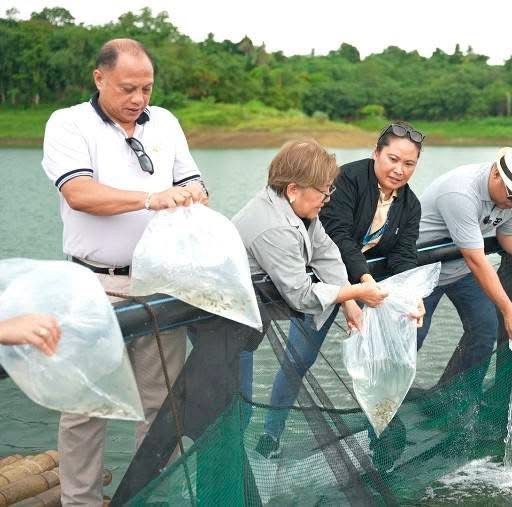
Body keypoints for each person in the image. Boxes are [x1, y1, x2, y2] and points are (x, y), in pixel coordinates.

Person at [41, 38, 207, 506]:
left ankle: (152, 496)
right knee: (84, 405)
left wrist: (195, 194)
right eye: (127, 88)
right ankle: (80, 502)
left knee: (162, 405)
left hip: (160, 282)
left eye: (146, 88)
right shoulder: (68, 123)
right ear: (100, 79)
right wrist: (151, 198)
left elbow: (191, 179)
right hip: (94, 282)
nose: (138, 98)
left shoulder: (166, 121)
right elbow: (79, 193)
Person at [251, 123, 425, 456]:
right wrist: (356, 290)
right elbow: (337, 237)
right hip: (326, 281)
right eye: (392, 159)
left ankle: (379, 439)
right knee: (299, 358)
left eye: (409, 164)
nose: (399, 170)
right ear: (376, 153)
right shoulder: (346, 180)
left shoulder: (410, 204)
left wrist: (411, 294)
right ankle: (271, 434)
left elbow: (405, 254)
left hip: (368, 289)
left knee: (379, 361)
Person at [233, 140, 389, 455]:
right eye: (324, 192)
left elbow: (326, 254)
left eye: (330, 190)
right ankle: (223, 480)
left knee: (239, 409)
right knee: (235, 411)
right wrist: (357, 292)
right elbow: (301, 295)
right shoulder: (272, 227)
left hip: (251, 319)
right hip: (224, 324)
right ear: (293, 189)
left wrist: (348, 303)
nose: (327, 199)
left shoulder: (299, 210)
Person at [416, 143, 512, 387]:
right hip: (420, 273)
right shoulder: (460, 192)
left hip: (459, 269)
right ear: (496, 173)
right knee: (411, 339)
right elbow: (476, 260)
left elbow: (509, 235)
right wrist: (510, 311)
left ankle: (457, 398)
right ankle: (383, 408)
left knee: (484, 329)